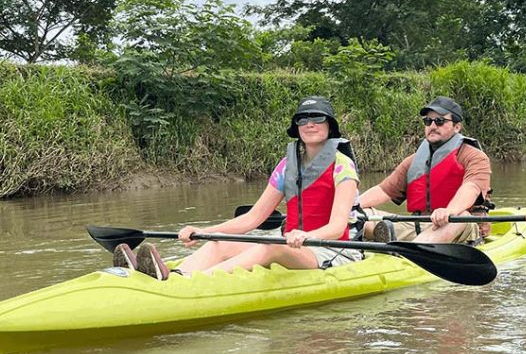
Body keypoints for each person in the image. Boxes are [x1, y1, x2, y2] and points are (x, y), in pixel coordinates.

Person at [113, 96, 363, 280]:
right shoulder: (287, 166)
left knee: (271, 245)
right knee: (219, 243)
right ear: (296, 128)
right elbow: (253, 218)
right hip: (293, 245)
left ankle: (194, 284)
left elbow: (337, 226)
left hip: (331, 250)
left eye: (317, 118)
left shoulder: (343, 167)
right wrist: (205, 230)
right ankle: (177, 275)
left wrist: (308, 236)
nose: (310, 124)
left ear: (330, 126)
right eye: (303, 119)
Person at [360, 96, 492, 244]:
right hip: (418, 227)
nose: (433, 126)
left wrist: (449, 211)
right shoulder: (413, 161)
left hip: (459, 227)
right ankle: (405, 244)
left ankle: (413, 252)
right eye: (428, 121)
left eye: (440, 121)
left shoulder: (475, 157)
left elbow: (471, 188)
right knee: (360, 214)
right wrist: (350, 207)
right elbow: (383, 191)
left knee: (462, 215)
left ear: (457, 127)